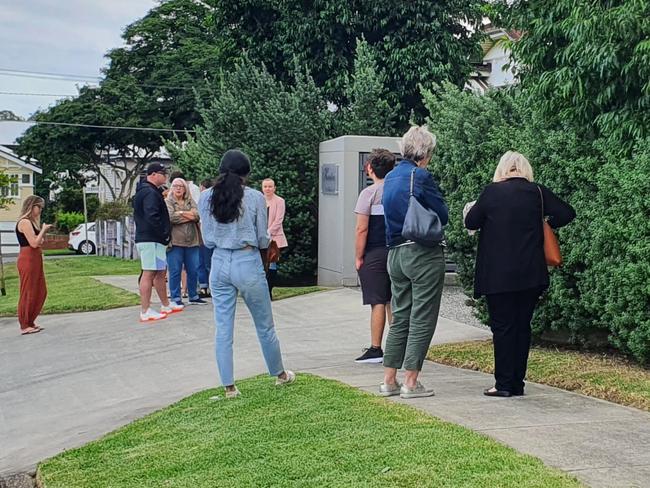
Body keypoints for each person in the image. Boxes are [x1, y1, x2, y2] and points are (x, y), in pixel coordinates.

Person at [464, 151, 575, 397]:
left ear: (502, 169)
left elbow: (471, 222)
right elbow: (567, 213)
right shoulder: (537, 192)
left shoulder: (492, 192)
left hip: (497, 274)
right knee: (522, 326)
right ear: (526, 169)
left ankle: (503, 384)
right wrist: (544, 222)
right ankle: (517, 382)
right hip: (530, 273)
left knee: (502, 327)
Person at [199, 149, 295, 399]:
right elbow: (263, 236)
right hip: (247, 258)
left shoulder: (205, 197)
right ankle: (279, 374)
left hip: (219, 260)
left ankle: (229, 386)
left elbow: (207, 239)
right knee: (264, 324)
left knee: (223, 326)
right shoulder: (253, 198)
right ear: (246, 173)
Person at [379, 126, 448, 399]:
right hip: (421, 252)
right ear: (426, 152)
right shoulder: (420, 176)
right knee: (423, 316)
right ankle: (411, 381)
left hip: (394, 253)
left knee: (400, 316)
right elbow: (441, 213)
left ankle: (389, 380)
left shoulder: (391, 176)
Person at [353, 149, 396, 363]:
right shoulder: (398, 191)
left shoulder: (368, 194)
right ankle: (398, 347)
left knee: (378, 300)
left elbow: (362, 229)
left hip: (375, 252)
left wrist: (359, 256)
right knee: (394, 300)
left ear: (370, 168)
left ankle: (375, 348)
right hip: (398, 250)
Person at [133, 162, 183, 322]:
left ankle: (165, 304)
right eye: (163, 173)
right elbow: (151, 215)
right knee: (149, 272)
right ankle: (145, 310)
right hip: (150, 239)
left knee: (160, 272)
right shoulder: (148, 192)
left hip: (155, 239)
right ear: (153, 174)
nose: (165, 176)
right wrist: (163, 233)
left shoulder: (151, 191)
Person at [166, 177, 206, 306]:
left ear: (185, 189)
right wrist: (188, 215)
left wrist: (181, 213)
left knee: (193, 270)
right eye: (175, 186)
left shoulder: (190, 201)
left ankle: (193, 295)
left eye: (181, 186)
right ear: (171, 188)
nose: (178, 188)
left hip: (192, 241)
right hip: (175, 242)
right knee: (175, 270)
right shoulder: (168, 202)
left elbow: (197, 215)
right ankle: (175, 297)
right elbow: (171, 218)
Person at [15, 196, 51, 335]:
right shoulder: (24, 222)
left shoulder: (31, 223)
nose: (40, 210)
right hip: (27, 258)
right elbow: (34, 243)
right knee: (28, 291)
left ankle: (30, 321)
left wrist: (41, 231)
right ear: (32, 206)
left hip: (35, 258)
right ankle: (24, 324)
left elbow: (39, 241)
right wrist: (43, 229)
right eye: (39, 207)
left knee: (40, 290)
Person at [261, 178, 288, 298]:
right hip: (260, 238)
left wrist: (268, 232)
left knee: (271, 264)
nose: (268, 189)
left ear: (274, 188)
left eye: (270, 186)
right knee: (261, 265)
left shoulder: (279, 201)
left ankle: (269, 290)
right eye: (265, 186)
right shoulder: (259, 200)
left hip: (274, 239)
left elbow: (278, 220)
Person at [197, 178, 214, 298]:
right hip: (211, 235)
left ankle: (205, 287)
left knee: (203, 262)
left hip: (204, 234)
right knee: (208, 262)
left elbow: (199, 217)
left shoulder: (203, 198)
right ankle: (208, 286)